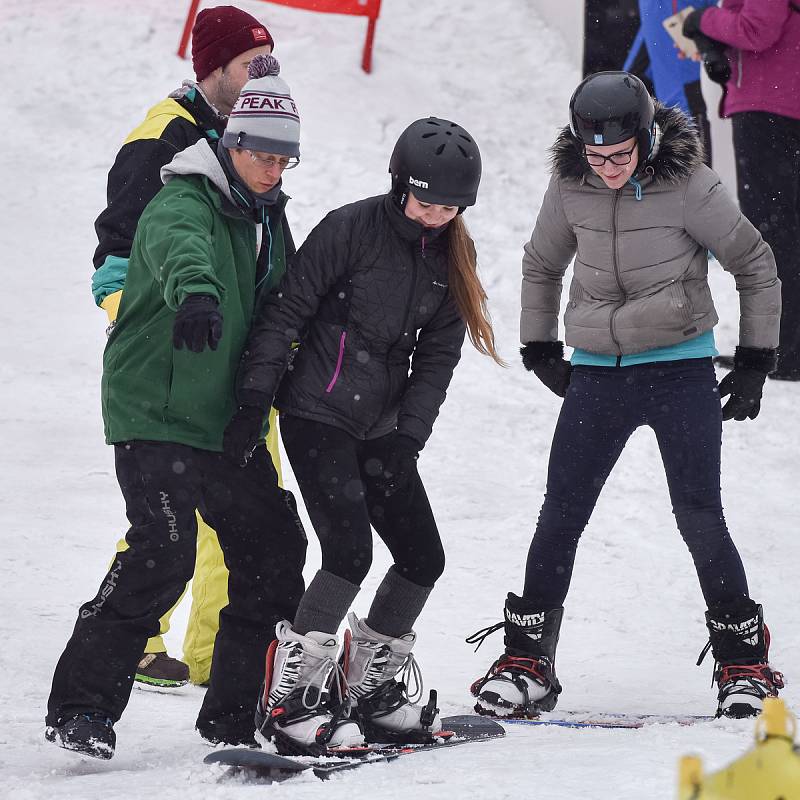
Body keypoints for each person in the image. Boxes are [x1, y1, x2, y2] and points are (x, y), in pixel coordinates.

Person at [468, 72, 785, 722]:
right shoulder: (570, 184)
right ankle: (528, 661)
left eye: (620, 155)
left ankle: (743, 665)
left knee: (700, 513)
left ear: (645, 139)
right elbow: (541, 262)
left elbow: (754, 263)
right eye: (596, 156)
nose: (608, 169)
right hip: (599, 372)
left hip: (679, 370)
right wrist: (540, 346)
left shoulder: (690, 184)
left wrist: (755, 360)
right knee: (561, 512)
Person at [45, 54, 307, 759]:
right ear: (234, 144)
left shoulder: (268, 220)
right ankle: (82, 708)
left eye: (287, 160)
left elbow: (283, 304)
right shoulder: (182, 197)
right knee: (164, 551)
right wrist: (198, 293)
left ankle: (233, 711)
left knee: (276, 547)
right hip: (156, 407)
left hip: (221, 415)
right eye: (265, 155)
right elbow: (179, 249)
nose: (274, 170)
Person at [222, 117, 501, 754]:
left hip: (382, 426)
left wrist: (409, 438)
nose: (435, 216)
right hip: (316, 412)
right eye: (425, 201)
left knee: (421, 554)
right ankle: (290, 701)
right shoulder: (350, 229)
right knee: (348, 553)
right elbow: (286, 309)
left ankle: (368, 692)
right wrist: (254, 396)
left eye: (450, 207)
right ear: (400, 185)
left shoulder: (454, 254)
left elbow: (437, 358)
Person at [91, 4, 279, 688]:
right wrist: (160, 331)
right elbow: (115, 263)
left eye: (270, 59)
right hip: (176, 358)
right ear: (213, 69)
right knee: (168, 512)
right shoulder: (162, 139)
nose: (267, 72)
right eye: (252, 62)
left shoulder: (249, 131)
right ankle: (136, 635)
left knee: (243, 511)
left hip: (239, 357)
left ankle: (214, 654)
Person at [681, 0, 800, 380]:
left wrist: (702, 20)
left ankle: (785, 348)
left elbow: (757, 29)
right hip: (782, 99)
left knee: (773, 230)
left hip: (772, 103)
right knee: (783, 227)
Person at [624, 0, 718, 164]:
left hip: (676, 13)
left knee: (683, 105)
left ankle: (699, 182)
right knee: (629, 89)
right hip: (656, 12)